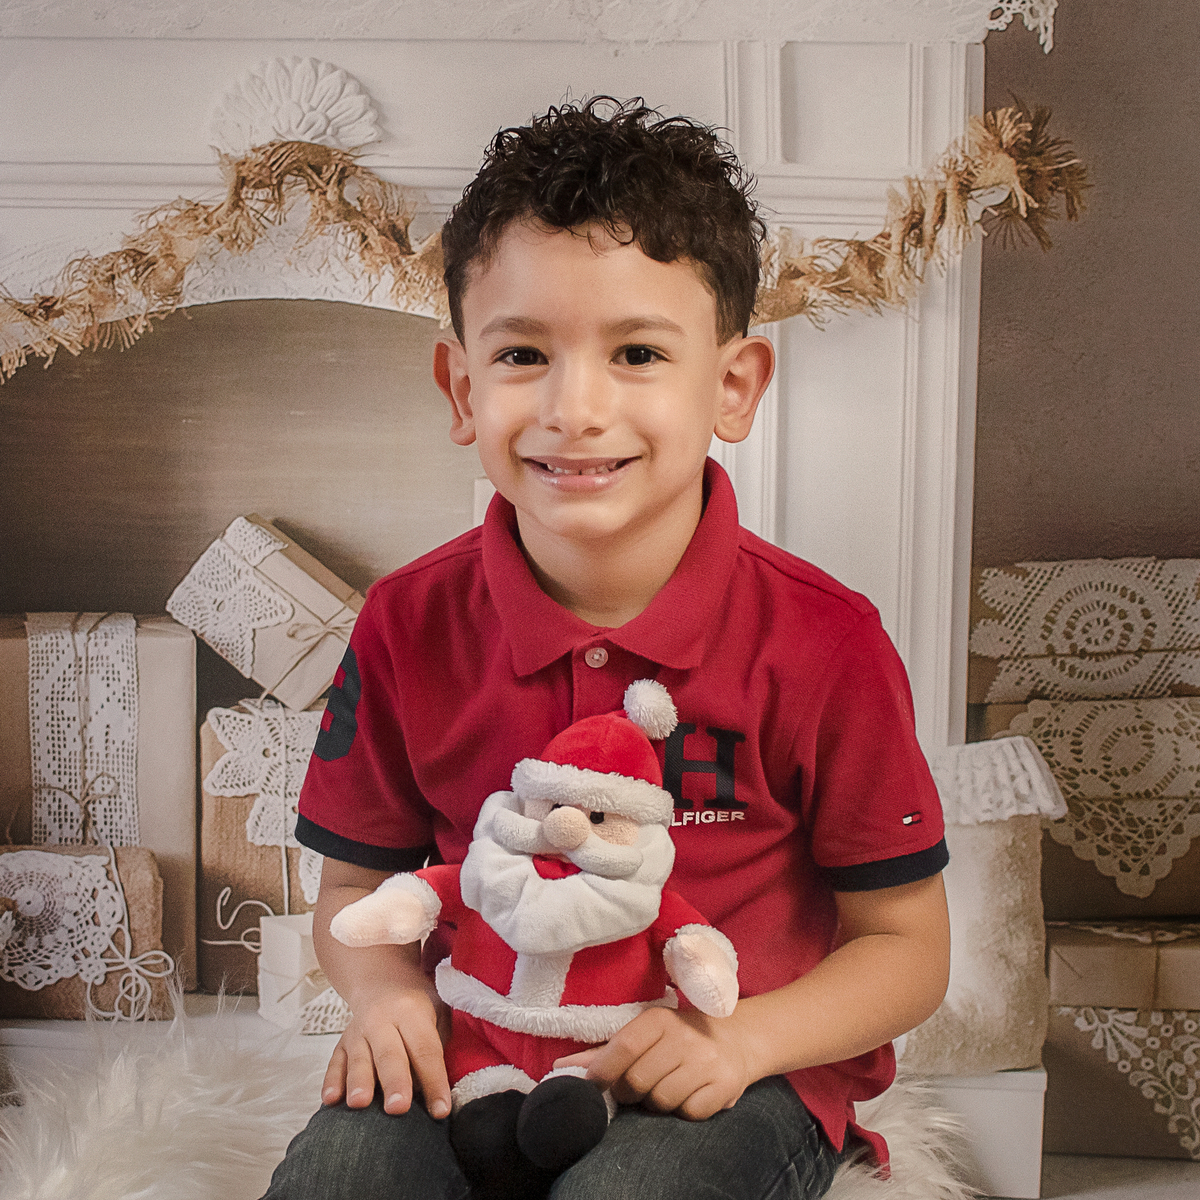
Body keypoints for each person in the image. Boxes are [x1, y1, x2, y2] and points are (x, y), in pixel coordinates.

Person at [262, 96, 951, 1200]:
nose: (575, 408)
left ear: (732, 386)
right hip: (482, 1050)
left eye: (636, 352)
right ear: (462, 388)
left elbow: (909, 948)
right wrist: (386, 995)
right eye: (523, 353)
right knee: (340, 1182)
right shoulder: (406, 620)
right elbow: (354, 888)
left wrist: (745, 1041)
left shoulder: (828, 640)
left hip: (735, 1066)